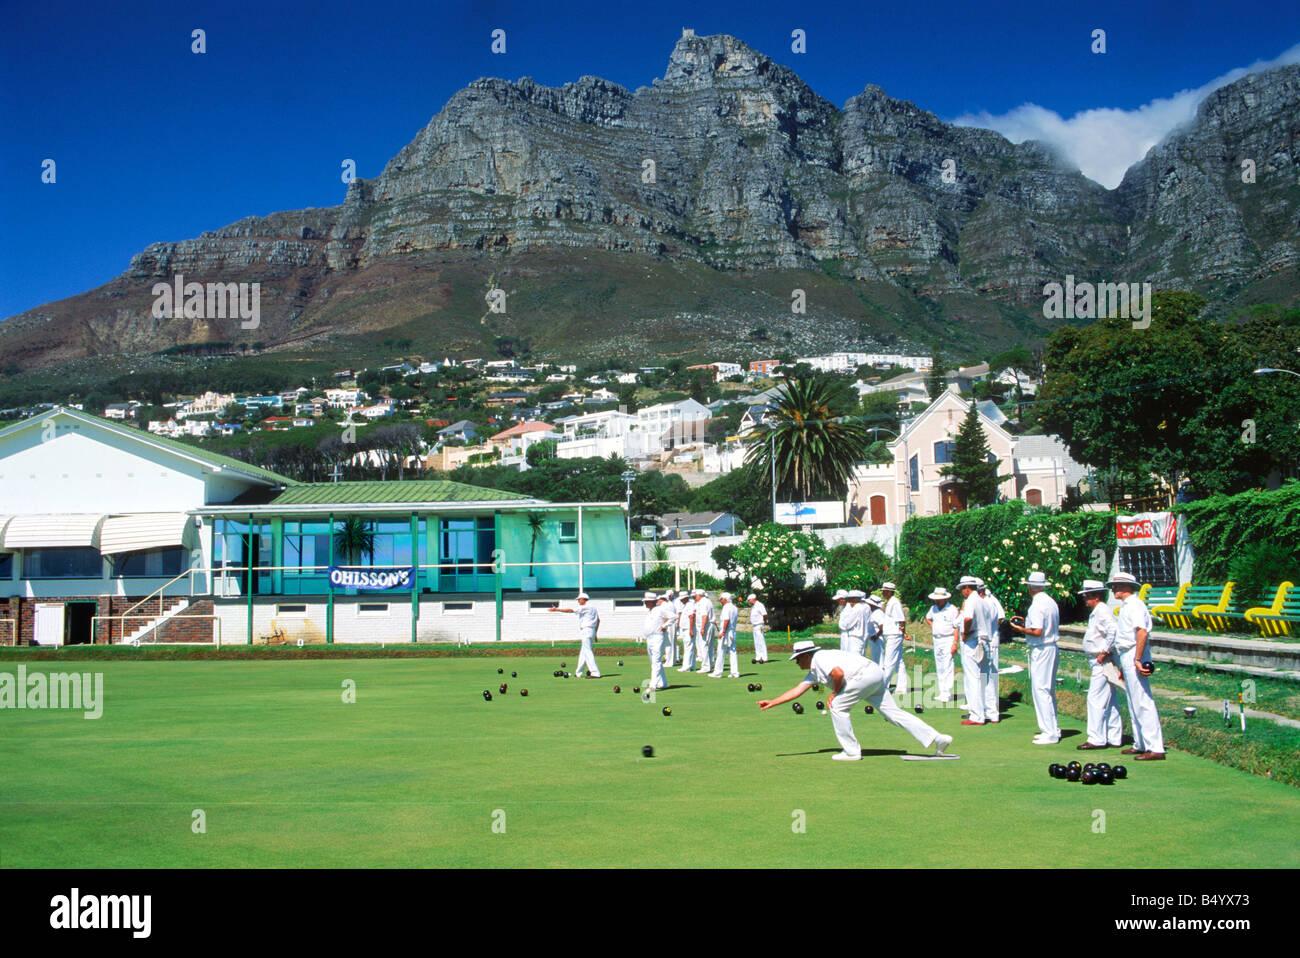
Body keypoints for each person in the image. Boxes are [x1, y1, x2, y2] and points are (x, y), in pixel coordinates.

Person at [757, 641, 953, 761]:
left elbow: (838, 673)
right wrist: (773, 702)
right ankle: (937, 739)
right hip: (875, 674)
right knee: (894, 714)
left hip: (862, 677)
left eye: (798, 659)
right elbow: (797, 691)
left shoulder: (820, 658)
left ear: (807, 655)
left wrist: (834, 693)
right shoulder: (814, 670)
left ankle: (851, 752)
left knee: (837, 706)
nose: (797, 662)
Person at [1108, 572, 1166, 760]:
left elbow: (1142, 633)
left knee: (1142, 700)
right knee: (1133, 701)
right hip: (1127, 654)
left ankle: (1155, 747)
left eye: (1116, 586)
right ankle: (1140, 743)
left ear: (1127, 587)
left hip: (1134, 653)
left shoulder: (1135, 605)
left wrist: (1138, 659)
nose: (1113, 589)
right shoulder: (1127, 606)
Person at [1008, 570, 1061, 744]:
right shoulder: (1050, 602)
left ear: (1031, 587)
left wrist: (1020, 630)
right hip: (1050, 647)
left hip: (1042, 649)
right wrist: (1026, 625)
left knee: (1041, 689)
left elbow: (1037, 631)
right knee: (1047, 689)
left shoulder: (1037, 605)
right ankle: (1053, 728)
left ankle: (1050, 732)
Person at [1076, 579, 1122, 751]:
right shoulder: (1098, 611)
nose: (1084, 599)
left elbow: (1113, 631)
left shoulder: (1102, 611)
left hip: (1102, 661)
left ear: (1095, 596)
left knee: (1095, 698)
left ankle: (1096, 738)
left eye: (1086, 596)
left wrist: (1104, 651)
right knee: (1110, 699)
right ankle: (1114, 737)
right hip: (1100, 659)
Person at [953, 575, 995, 725]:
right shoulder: (983, 601)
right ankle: (988, 712)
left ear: (967, 588)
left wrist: (966, 633)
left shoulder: (971, 600)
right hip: (985, 641)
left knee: (973, 678)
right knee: (985, 677)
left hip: (973, 642)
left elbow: (968, 619)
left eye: (962, 589)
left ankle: (977, 716)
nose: (962, 593)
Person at [548, 592, 601, 678]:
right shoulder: (594, 608)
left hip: (586, 630)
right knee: (584, 652)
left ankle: (595, 673)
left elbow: (570, 610)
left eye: (579, 600)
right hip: (592, 631)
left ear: (583, 599)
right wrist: (595, 634)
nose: (578, 601)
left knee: (587, 652)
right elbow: (598, 620)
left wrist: (557, 609)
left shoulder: (585, 607)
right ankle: (578, 673)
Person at [924, 587, 960, 703]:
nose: (937, 601)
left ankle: (947, 693)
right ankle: (942, 691)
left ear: (945, 599)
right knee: (939, 666)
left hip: (948, 639)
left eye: (939, 599)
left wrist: (955, 642)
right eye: (936, 599)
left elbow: (956, 627)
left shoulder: (952, 609)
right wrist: (934, 627)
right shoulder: (933, 608)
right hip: (937, 640)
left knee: (947, 665)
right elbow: (928, 618)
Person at [878, 581, 909, 699]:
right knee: (898, 661)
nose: (883, 593)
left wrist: (904, 633)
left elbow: (901, 619)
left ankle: (883, 687)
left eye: (885, 591)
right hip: (891, 634)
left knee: (889, 661)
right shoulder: (890, 602)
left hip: (894, 635)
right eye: (882, 591)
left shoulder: (895, 602)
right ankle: (902, 687)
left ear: (890, 592)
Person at [641, 592, 671, 691]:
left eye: (647, 602)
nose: (645, 603)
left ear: (653, 602)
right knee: (653, 662)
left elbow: (674, 616)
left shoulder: (660, 610)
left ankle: (653, 685)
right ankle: (663, 683)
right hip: (649, 638)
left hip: (657, 638)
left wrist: (664, 626)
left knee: (656, 661)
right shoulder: (650, 611)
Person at [709, 592, 741, 678]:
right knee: (733, 651)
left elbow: (726, 620)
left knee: (721, 651)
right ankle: (735, 673)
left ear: (725, 599)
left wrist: (723, 631)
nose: (720, 601)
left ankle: (717, 672)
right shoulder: (734, 607)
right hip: (732, 631)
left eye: (721, 599)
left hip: (726, 632)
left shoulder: (726, 607)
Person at [694, 588, 716, 674]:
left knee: (704, 645)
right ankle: (710, 664)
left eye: (695, 596)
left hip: (706, 625)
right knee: (709, 645)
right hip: (710, 624)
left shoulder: (703, 603)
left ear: (699, 595)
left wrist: (702, 627)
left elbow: (704, 616)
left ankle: (706, 666)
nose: (695, 597)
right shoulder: (708, 601)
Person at [676, 590, 699, 672]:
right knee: (690, 647)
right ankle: (692, 665)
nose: (681, 600)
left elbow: (691, 617)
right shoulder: (686, 605)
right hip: (686, 629)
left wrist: (690, 629)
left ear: (686, 598)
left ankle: (686, 666)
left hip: (688, 629)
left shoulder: (689, 605)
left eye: (682, 599)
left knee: (688, 647)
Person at [863, 593, 885, 664]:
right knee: (876, 658)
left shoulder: (878, 613)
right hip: (874, 638)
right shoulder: (874, 612)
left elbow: (882, 626)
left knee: (878, 659)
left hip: (877, 639)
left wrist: (876, 636)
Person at [747, 593, 769, 664]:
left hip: (759, 625)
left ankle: (764, 657)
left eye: (749, 600)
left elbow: (765, 614)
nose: (748, 602)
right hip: (754, 626)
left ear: (753, 599)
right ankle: (758, 657)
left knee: (761, 641)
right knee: (756, 642)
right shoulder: (753, 606)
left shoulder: (759, 605)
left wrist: (765, 623)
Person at [662, 589, 679, 668]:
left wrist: (664, 626)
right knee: (671, 643)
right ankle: (673, 660)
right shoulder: (670, 604)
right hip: (671, 624)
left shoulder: (667, 605)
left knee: (669, 644)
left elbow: (666, 616)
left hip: (670, 625)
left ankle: (669, 662)